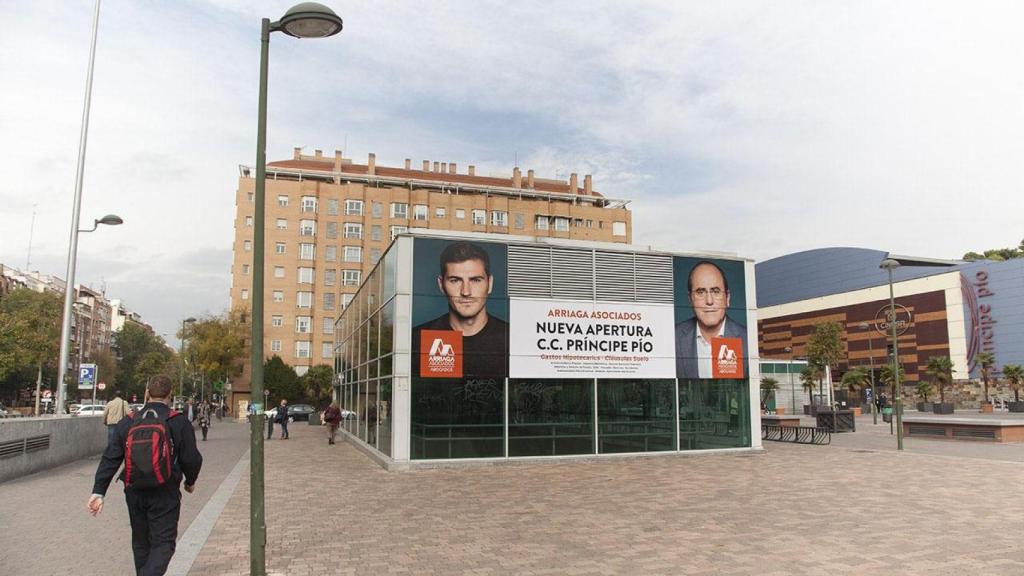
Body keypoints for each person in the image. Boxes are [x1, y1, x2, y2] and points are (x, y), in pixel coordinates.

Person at [87, 375, 202, 576]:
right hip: (165, 489)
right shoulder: (178, 421)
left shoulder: (128, 421)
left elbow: (110, 458)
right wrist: (190, 481)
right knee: (163, 543)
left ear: (147, 393)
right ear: (170, 394)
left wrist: (98, 492)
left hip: (134, 489)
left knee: (141, 542)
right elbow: (191, 458)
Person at [412, 241, 509, 379]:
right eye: (455, 280)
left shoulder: (512, 339)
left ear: (490, 283)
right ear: (441, 285)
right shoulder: (417, 340)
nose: (466, 291)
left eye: (475, 280)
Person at [675, 261, 747, 379]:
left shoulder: (747, 340)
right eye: (700, 292)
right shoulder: (673, 338)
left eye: (716, 291)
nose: (709, 301)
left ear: (727, 298)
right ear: (690, 299)